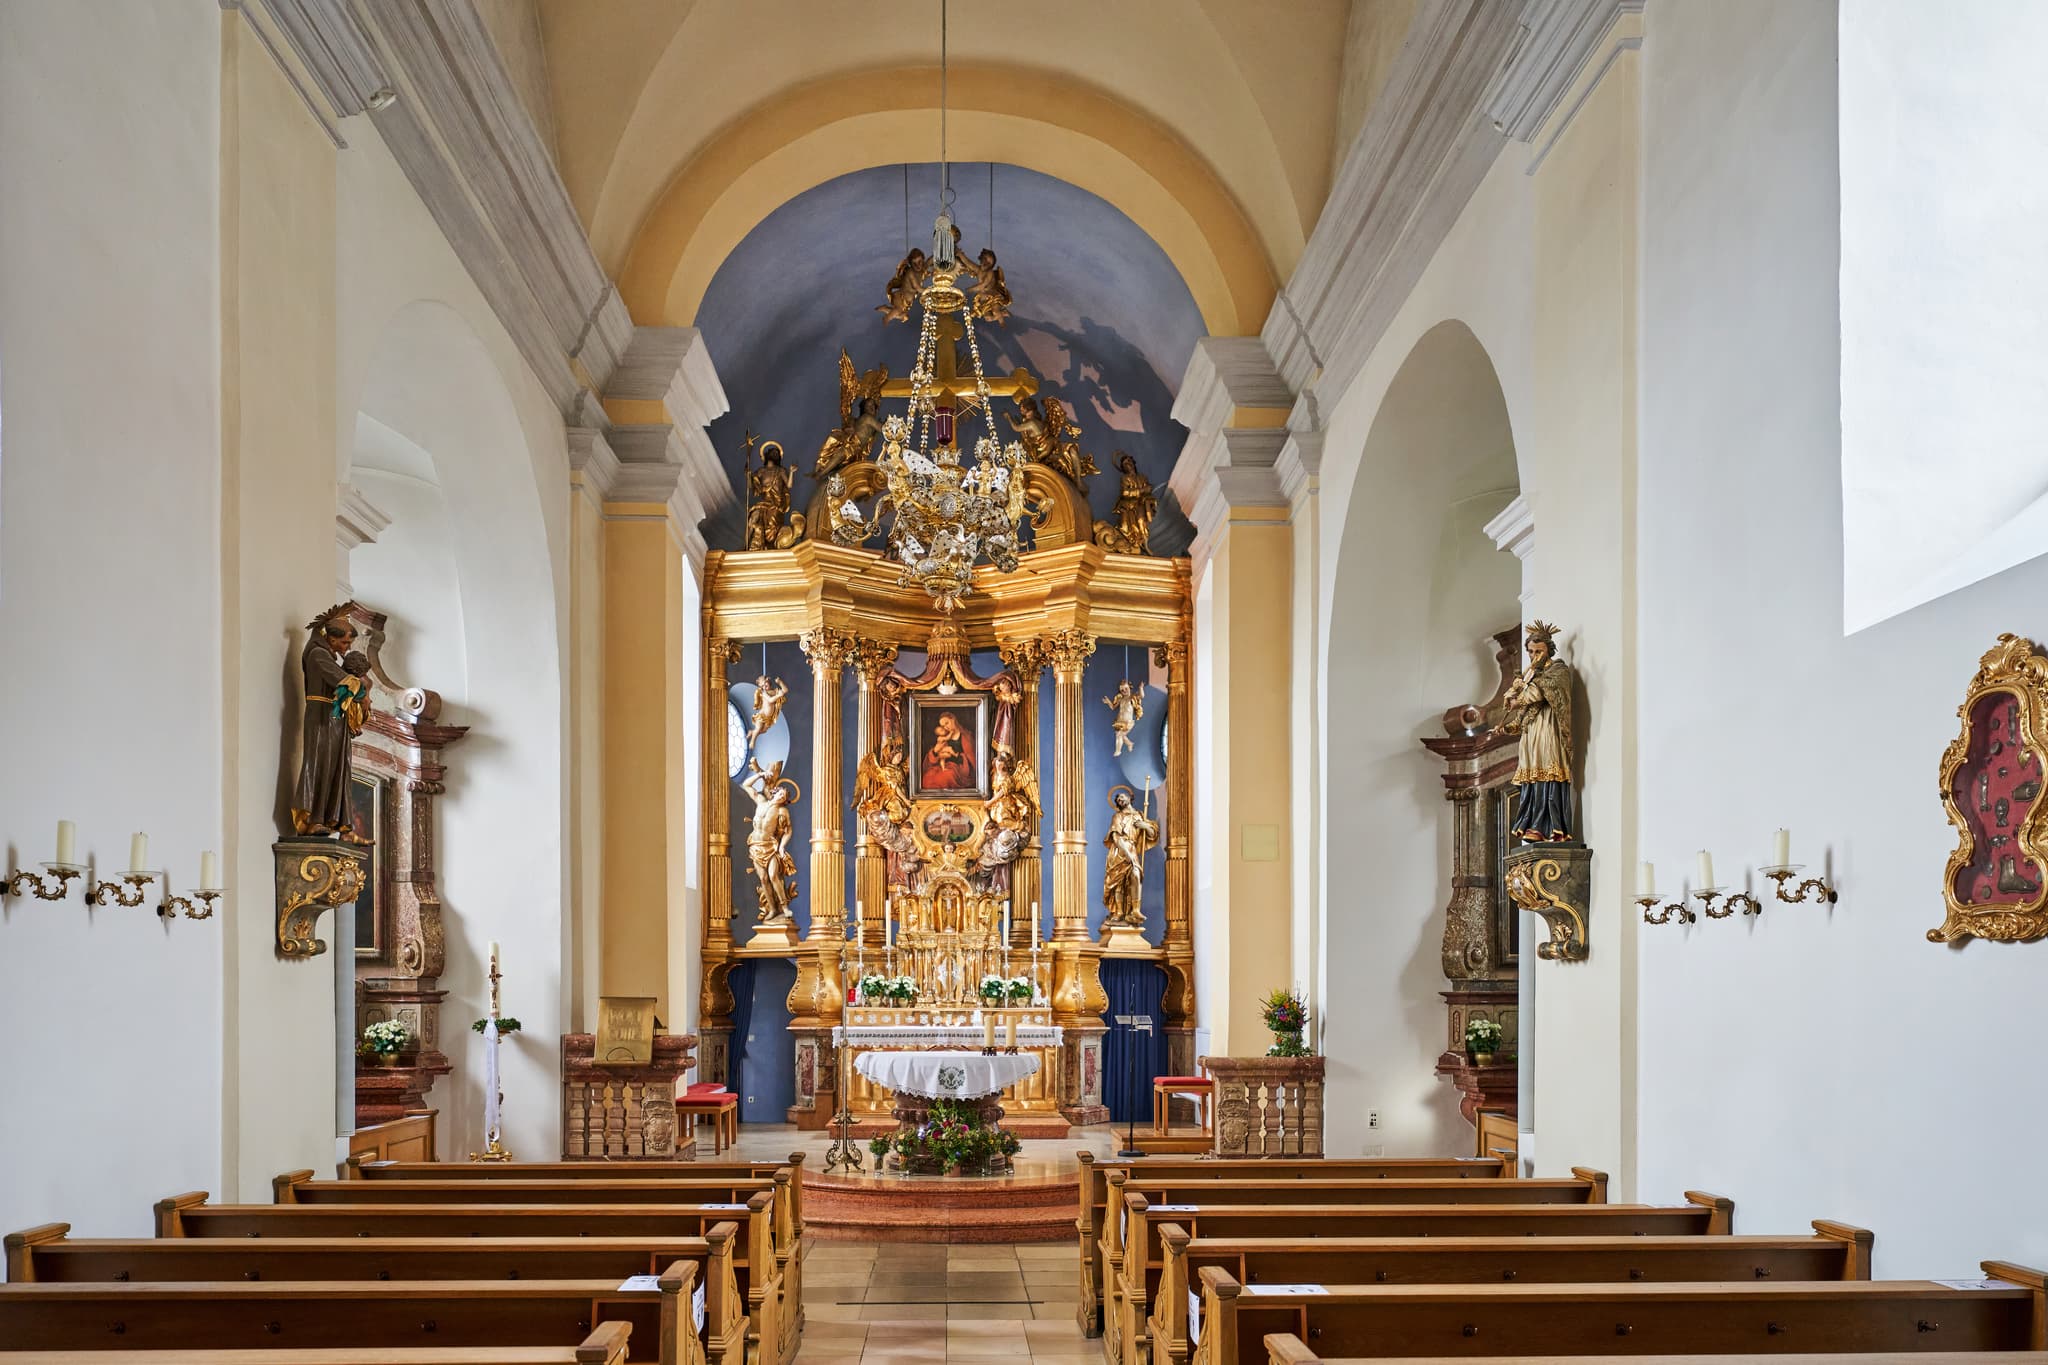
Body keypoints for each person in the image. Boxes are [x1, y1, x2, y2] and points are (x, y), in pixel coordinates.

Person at [291, 604, 373, 840]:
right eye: (345, 643)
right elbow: (342, 681)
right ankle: (313, 818)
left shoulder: (326, 655)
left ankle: (333, 822)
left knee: (336, 769)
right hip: (320, 716)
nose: (347, 649)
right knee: (320, 766)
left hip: (333, 718)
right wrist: (363, 690)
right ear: (329, 637)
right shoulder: (318, 655)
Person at [1500, 620, 1577, 843]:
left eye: (1539, 651)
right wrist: (1506, 727)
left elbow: (1540, 693)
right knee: (1531, 778)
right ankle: (1532, 823)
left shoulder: (1558, 670)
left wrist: (1521, 693)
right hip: (1532, 735)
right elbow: (1523, 714)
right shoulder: (1532, 676)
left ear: (1549, 650)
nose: (1535, 656)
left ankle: (1550, 826)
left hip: (1549, 733)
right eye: (1531, 652)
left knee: (1547, 774)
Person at [1102, 788, 1159, 925]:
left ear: (1129, 798)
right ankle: (1119, 912)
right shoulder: (1117, 817)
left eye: (1122, 797)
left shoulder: (1139, 815)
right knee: (1118, 882)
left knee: (1136, 874)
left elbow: (1152, 834)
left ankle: (1135, 910)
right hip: (1119, 850)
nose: (1120, 800)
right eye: (1118, 800)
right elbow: (1116, 837)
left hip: (1131, 848)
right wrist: (1127, 854)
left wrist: (1145, 825)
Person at [921, 710, 977, 790]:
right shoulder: (944, 737)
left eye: (947, 723)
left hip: (959, 768)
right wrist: (935, 752)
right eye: (943, 726)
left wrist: (960, 757)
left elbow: (972, 760)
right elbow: (933, 757)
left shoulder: (966, 736)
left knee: (944, 778)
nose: (946, 727)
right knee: (927, 778)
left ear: (953, 719)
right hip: (943, 765)